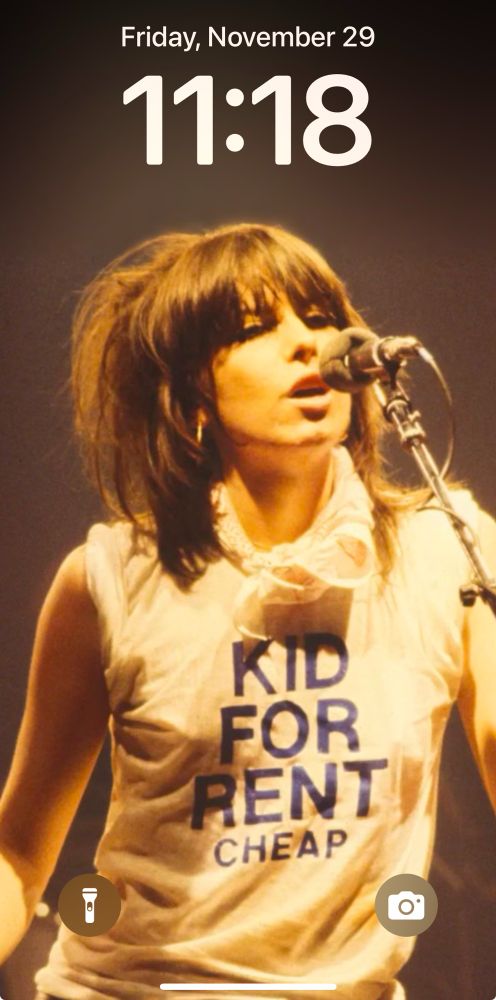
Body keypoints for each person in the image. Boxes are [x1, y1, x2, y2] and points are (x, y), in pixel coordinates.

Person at [0, 222, 494, 1000]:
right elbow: (18, 853)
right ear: (194, 393)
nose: (309, 345)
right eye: (257, 330)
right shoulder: (109, 579)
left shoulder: (449, 550)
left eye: (321, 317)